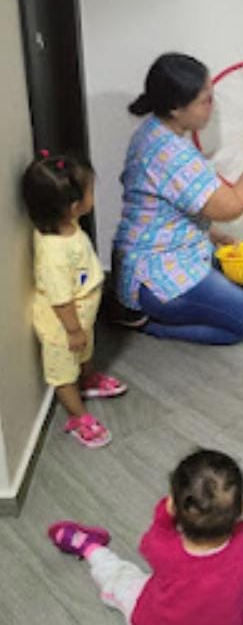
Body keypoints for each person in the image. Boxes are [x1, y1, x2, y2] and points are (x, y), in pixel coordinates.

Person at [112, 52, 243, 344]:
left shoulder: (152, 130)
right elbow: (232, 206)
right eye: (205, 100)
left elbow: (166, 208)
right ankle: (149, 326)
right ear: (176, 108)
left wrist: (214, 235)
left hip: (172, 255)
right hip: (154, 274)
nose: (212, 106)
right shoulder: (171, 153)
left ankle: (159, 310)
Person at [47, 449, 243, 625]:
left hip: (156, 619)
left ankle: (90, 548)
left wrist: (164, 516)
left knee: (121, 578)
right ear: (242, 507)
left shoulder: (163, 549)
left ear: (172, 505)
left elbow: (147, 543)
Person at [22, 152, 126, 449]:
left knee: (84, 351)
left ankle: (88, 379)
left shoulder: (68, 226)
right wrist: (73, 330)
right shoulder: (54, 253)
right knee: (63, 373)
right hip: (63, 326)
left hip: (80, 316)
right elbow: (60, 299)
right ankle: (77, 417)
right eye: (91, 190)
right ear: (73, 206)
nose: (94, 194)